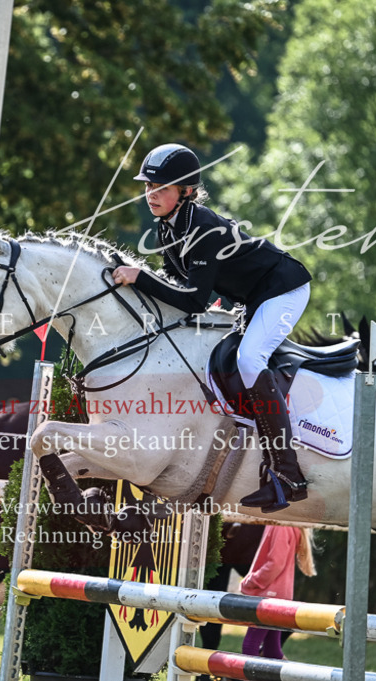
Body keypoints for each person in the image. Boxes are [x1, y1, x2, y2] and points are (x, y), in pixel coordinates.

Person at [112, 143, 313, 512]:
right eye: (148, 187)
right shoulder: (167, 228)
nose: (150, 195)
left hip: (283, 289)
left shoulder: (202, 227)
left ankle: (288, 473)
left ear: (186, 191)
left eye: (161, 188)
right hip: (253, 297)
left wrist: (139, 276)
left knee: (249, 360)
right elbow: (175, 287)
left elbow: (193, 300)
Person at [238, 525, 316, 660]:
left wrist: (252, 581)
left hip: (269, 596)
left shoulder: (280, 525)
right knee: (272, 649)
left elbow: (276, 563)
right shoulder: (286, 525)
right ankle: (292, 672)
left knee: (250, 646)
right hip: (279, 595)